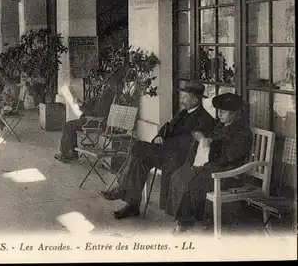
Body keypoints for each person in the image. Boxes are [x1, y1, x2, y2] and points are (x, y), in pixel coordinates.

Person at [99, 81, 216, 219]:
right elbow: (167, 127)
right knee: (138, 158)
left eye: (185, 97)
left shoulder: (204, 119)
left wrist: (166, 143)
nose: (182, 100)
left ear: (196, 99)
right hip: (167, 153)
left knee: (137, 148)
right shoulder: (183, 113)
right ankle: (132, 205)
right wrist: (159, 136)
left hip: (181, 159)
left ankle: (123, 190)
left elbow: (191, 145)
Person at [165, 93, 253, 234]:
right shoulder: (219, 126)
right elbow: (210, 142)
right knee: (179, 175)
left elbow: (230, 157)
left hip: (229, 173)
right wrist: (203, 141)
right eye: (218, 111)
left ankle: (188, 222)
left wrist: (211, 147)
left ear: (235, 113)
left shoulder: (242, 132)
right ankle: (183, 220)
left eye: (224, 112)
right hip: (212, 166)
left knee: (192, 181)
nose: (220, 114)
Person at [54, 73, 123, 163]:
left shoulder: (106, 97)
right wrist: (83, 104)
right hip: (93, 119)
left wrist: (82, 106)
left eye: (104, 82)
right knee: (72, 126)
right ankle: (71, 153)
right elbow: (94, 111)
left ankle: (65, 153)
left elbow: (94, 114)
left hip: (95, 122)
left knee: (69, 125)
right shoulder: (108, 95)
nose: (102, 84)